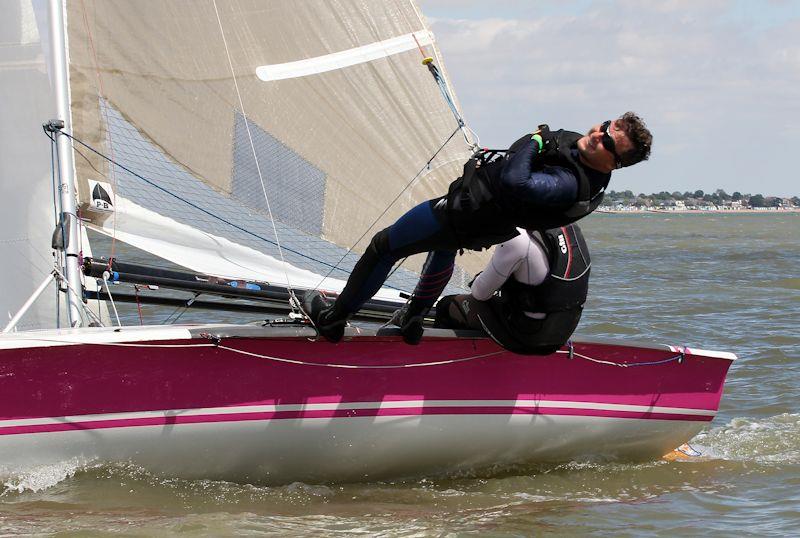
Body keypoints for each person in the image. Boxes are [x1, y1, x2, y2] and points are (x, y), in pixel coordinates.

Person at [304, 112, 652, 343]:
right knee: (442, 248)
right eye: (605, 127)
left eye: (609, 143)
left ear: (616, 164)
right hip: (481, 220)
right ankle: (413, 317)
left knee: (384, 246)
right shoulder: (581, 153)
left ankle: (334, 320)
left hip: (464, 213)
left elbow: (518, 181)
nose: (598, 136)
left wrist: (536, 140)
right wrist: (540, 143)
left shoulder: (570, 184)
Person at [434, 224, 589, 355]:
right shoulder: (572, 231)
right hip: (561, 334)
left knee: (448, 305)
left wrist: (482, 278)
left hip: (528, 337)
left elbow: (479, 293)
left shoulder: (518, 237)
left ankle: (449, 370)